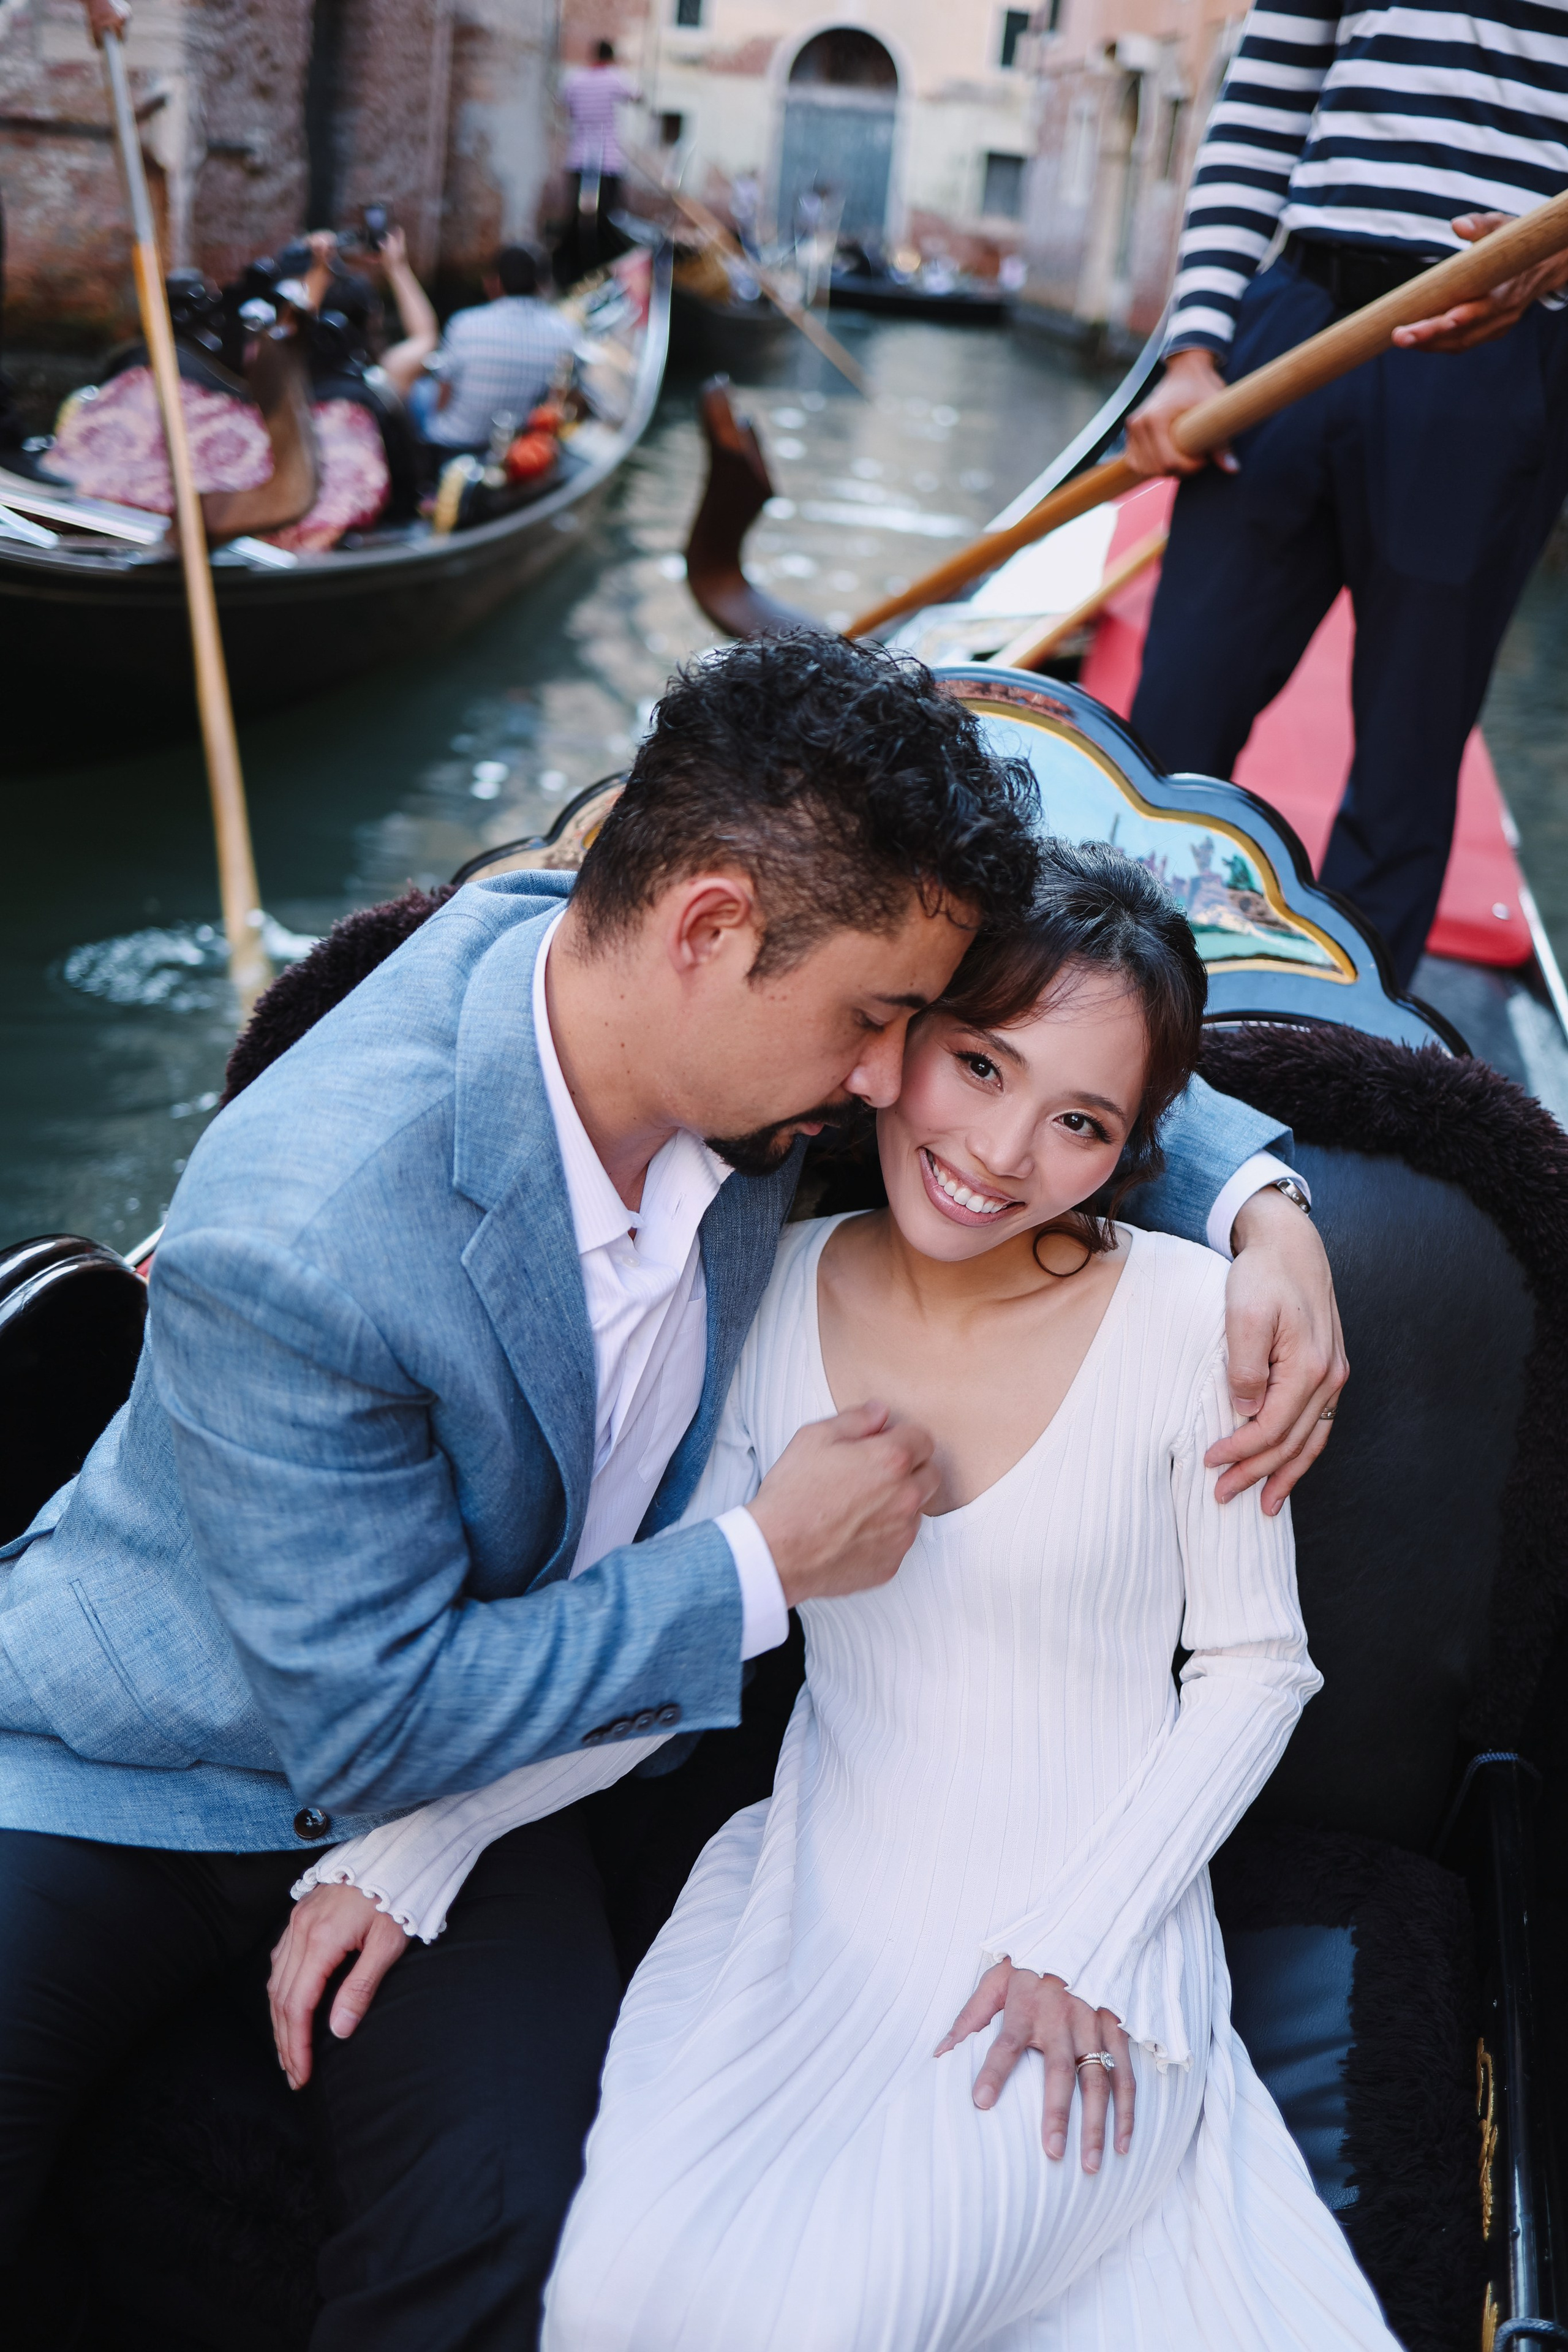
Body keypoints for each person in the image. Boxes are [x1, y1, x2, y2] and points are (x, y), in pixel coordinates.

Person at [0, 636, 1343, 2352]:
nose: (889, 1081)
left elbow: (1068, 1050)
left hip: (510, 1755)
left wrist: (1264, 1207)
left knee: (499, 2230)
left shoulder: (728, 1030)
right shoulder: (313, 1230)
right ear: (707, 935)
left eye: (907, 1030)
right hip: (143, 1754)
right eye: (877, 1026)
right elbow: (373, 1720)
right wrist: (767, 1562)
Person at [277, 842, 1390, 2351]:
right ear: (896, 1043)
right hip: (809, 1909)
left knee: (830, 2315)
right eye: (977, 1064)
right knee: (609, 2305)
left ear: (1132, 1144)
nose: (1000, 1151)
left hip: (1088, 1940)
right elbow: (687, 1625)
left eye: (1076, 1121)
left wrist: (1086, 1934)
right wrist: (425, 1840)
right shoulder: (771, 1287)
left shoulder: (1195, 1320)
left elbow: (1256, 1669)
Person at [1125, 0, 1568, 991]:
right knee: (1175, 713)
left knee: (1409, 760)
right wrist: (1196, 348)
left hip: (1500, 343)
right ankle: (1105, 991)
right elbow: (1265, 104)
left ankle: (1347, 1052)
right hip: (1293, 319)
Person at [397, 241, 574, 455]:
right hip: (512, 446)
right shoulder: (566, 331)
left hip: (453, 442)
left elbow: (442, 399)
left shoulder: (465, 323)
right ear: (542, 285)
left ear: (495, 283)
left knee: (421, 388)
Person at [556, 39, 639, 284]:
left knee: (576, 215)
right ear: (611, 58)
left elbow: (565, 104)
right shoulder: (615, 77)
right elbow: (637, 96)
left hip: (579, 158)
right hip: (608, 161)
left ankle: (573, 269)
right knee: (608, 216)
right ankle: (603, 269)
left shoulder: (574, 79)